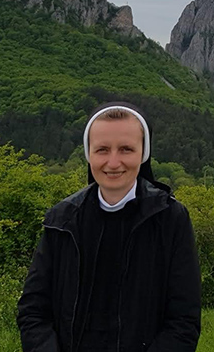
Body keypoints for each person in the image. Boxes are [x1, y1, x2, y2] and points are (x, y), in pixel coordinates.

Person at [17, 101, 201, 352]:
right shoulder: (61, 221)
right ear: (88, 154)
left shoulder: (170, 219)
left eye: (126, 149)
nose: (113, 163)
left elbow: (183, 320)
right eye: (102, 150)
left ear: (143, 153)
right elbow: (33, 310)